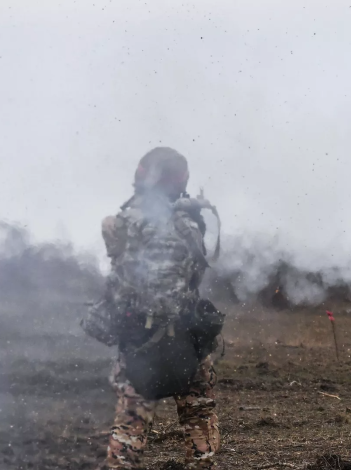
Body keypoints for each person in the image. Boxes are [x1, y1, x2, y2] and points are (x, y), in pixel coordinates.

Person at [93, 147, 223, 470]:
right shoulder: (186, 226)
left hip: (140, 338)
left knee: (129, 428)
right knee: (200, 420)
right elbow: (196, 271)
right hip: (185, 340)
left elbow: (119, 261)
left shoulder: (118, 224)